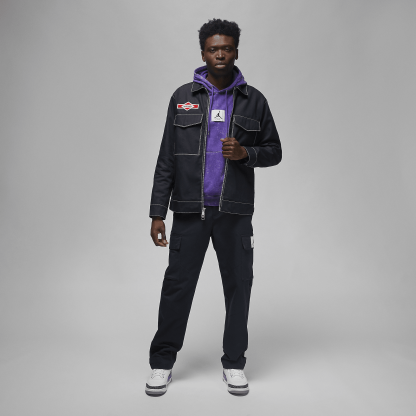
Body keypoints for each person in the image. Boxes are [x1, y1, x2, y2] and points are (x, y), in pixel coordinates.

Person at [145, 18, 282, 397]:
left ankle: (234, 363)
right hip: (189, 211)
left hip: (234, 213)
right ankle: (161, 362)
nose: (220, 54)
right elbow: (166, 158)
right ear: (203, 52)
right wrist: (157, 212)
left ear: (236, 51)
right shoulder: (182, 97)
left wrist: (246, 153)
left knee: (239, 287)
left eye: (226, 48)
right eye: (213, 48)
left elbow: (274, 151)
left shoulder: (254, 100)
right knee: (177, 287)